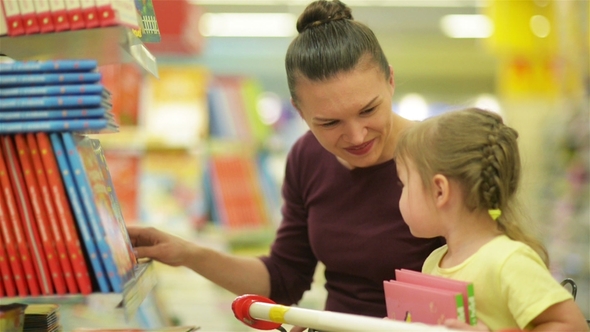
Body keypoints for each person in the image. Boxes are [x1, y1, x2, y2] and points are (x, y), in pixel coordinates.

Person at [128, 0, 443, 322]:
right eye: (329, 123)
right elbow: (283, 278)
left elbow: (489, 275)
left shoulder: (444, 154)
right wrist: (186, 254)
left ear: (390, 80)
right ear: (299, 111)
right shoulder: (308, 157)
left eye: (368, 110)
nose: (357, 136)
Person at [393, 107, 589, 331]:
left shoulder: (508, 261)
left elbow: (573, 326)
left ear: (440, 190)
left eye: (404, 184)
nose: (400, 195)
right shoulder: (434, 261)